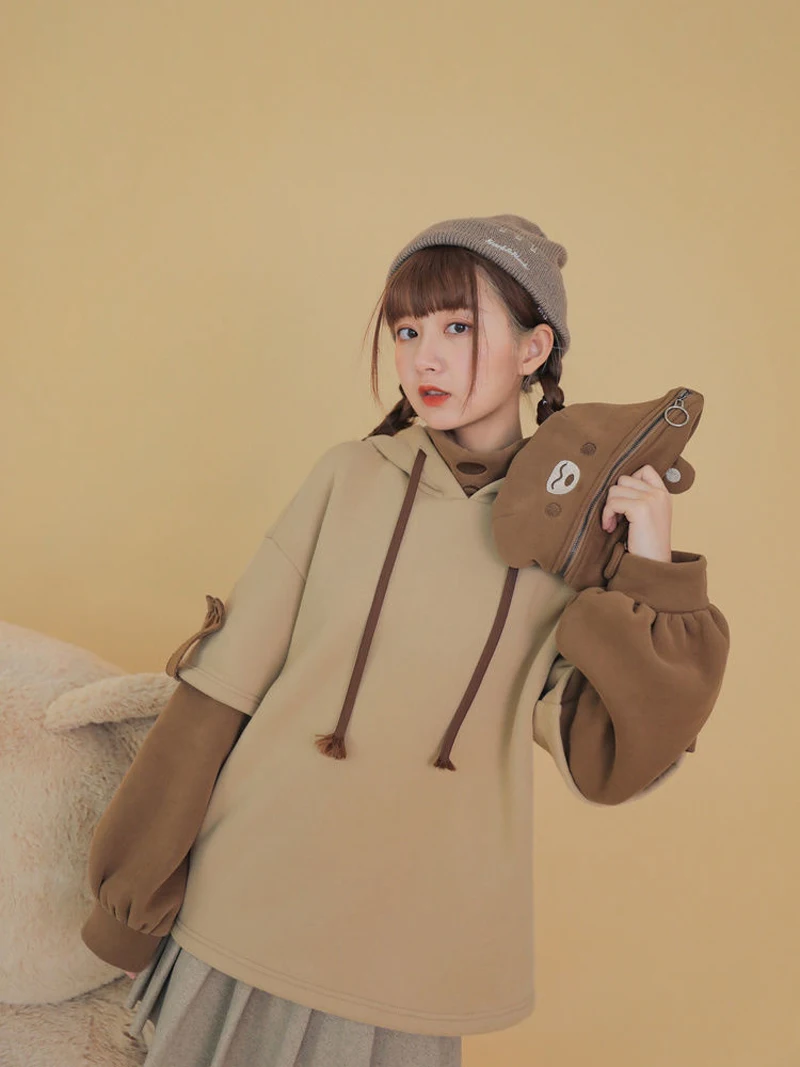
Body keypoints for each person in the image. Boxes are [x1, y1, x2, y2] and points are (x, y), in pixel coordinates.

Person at [80, 214, 730, 1067]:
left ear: (535, 349)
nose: (425, 357)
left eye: (458, 327)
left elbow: (610, 756)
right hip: (254, 893)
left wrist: (650, 565)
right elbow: (220, 689)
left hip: (417, 939)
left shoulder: (575, 543)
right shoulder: (346, 477)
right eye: (407, 330)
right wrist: (131, 894)